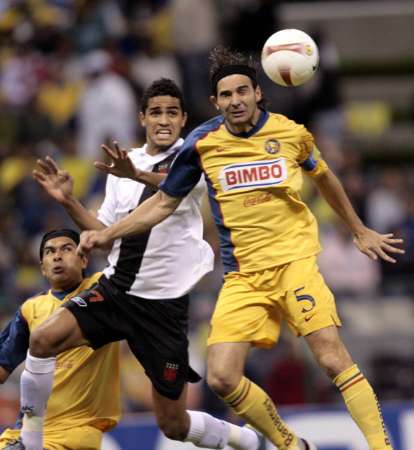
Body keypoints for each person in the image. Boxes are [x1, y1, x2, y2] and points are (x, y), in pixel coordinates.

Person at [79, 48, 405, 450]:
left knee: (331, 358)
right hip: (243, 277)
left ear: (257, 93)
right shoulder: (202, 143)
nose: (235, 100)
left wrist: (358, 229)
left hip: (294, 264)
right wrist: (110, 233)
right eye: (226, 95)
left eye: (242, 91)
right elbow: (164, 201)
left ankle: (381, 446)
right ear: (215, 101)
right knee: (221, 377)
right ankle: (290, 444)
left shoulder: (290, 133)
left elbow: (325, 177)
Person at [27, 78, 261, 450]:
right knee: (42, 340)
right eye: (156, 112)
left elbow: (173, 187)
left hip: (163, 307)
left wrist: (135, 174)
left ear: (183, 119)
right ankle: (30, 443)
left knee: (174, 424)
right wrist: (69, 201)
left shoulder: (198, 155)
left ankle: (248, 441)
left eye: (172, 112)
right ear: (142, 118)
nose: (163, 120)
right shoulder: (125, 162)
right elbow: (105, 234)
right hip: (116, 291)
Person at [0, 229, 120, 450]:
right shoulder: (30, 309)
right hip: (28, 431)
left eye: (66, 249)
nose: (57, 256)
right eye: (49, 252)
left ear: (84, 259)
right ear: (42, 268)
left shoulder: (103, 289)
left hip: (77, 430)